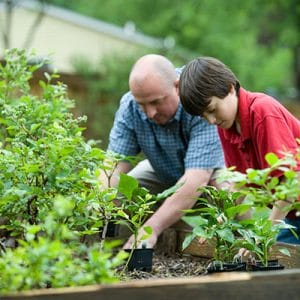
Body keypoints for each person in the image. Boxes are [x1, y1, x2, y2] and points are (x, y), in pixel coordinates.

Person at [100, 54, 225, 249]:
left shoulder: (198, 97)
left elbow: (196, 179)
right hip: (163, 171)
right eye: (143, 104)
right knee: (126, 190)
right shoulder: (130, 106)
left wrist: (151, 228)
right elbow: (113, 167)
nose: (150, 113)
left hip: (210, 172)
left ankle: (246, 245)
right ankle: (172, 239)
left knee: (228, 189)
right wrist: (101, 202)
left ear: (176, 86)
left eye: (156, 102)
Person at [179, 56, 300, 244]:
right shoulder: (226, 127)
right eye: (203, 117)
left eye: (211, 109)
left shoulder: (262, 112)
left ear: (229, 88)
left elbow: (292, 179)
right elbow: (239, 183)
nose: (211, 120)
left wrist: (265, 235)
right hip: (292, 214)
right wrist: (219, 222)